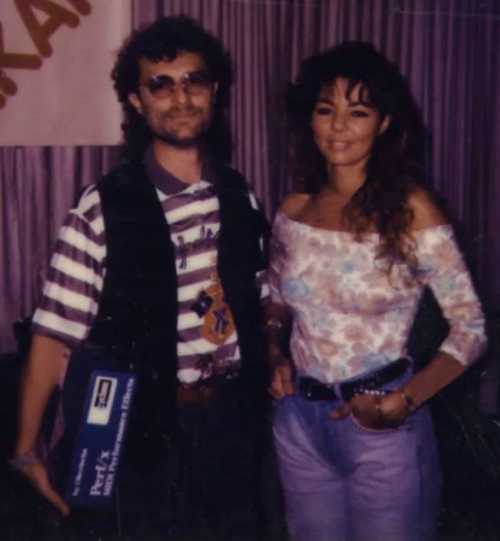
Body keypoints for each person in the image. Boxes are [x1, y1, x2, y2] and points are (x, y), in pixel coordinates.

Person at [11, 16, 269, 540]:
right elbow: (54, 334)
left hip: (233, 428)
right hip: (142, 435)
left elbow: (259, 304)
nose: (181, 98)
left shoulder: (239, 194)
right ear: (136, 100)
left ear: (215, 91)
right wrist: (26, 447)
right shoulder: (104, 205)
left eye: (194, 81)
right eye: (161, 85)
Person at [266, 41, 487, 541]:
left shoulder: (412, 212)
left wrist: (405, 400)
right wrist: (275, 349)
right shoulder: (294, 210)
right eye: (326, 110)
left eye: (358, 112)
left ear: (384, 123)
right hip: (299, 422)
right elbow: (276, 298)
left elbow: (471, 328)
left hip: (381, 423)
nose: (339, 126)